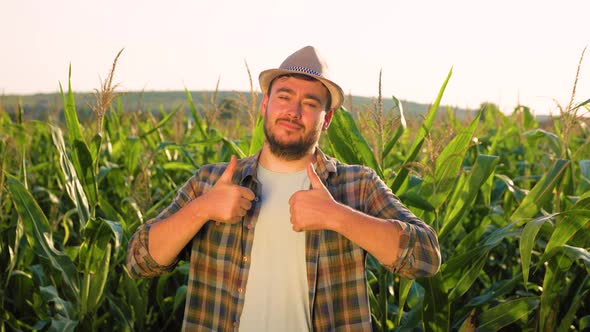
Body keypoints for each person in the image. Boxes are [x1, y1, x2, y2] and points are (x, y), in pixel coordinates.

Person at [126, 46, 441, 331]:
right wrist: (202, 208)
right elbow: (139, 261)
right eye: (284, 96)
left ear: (327, 118)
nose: (294, 111)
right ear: (265, 104)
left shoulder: (357, 186)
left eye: (310, 103)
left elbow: (426, 258)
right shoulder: (211, 183)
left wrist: (337, 217)